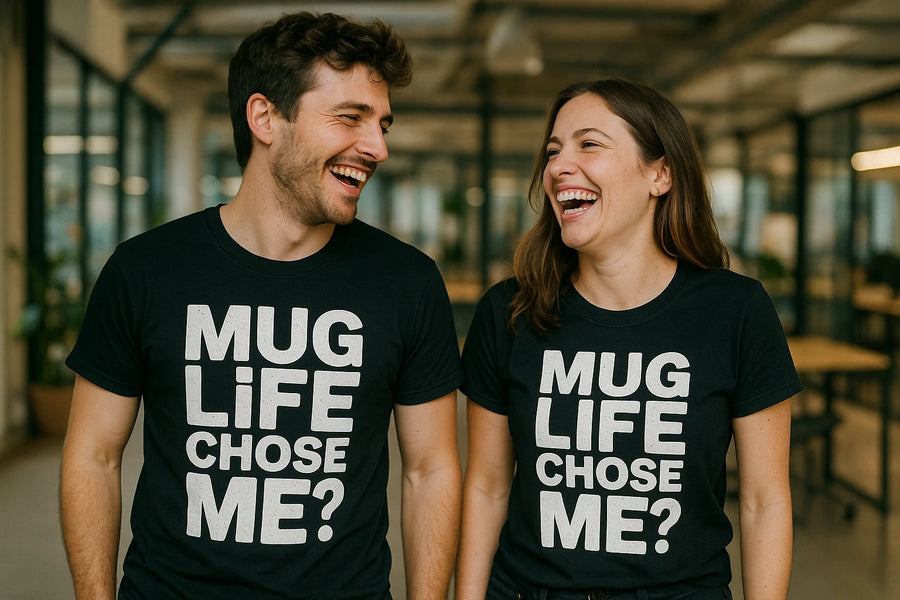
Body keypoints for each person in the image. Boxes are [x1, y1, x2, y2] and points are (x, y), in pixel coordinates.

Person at [60, 12, 463, 600]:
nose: (377, 147)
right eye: (350, 117)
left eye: (382, 124)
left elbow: (430, 470)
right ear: (265, 117)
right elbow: (93, 456)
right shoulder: (144, 271)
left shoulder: (408, 283)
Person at [456, 79, 799, 600]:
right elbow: (486, 487)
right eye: (553, 150)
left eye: (589, 144)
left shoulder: (736, 312)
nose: (558, 166)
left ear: (660, 174)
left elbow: (764, 501)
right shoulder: (509, 312)